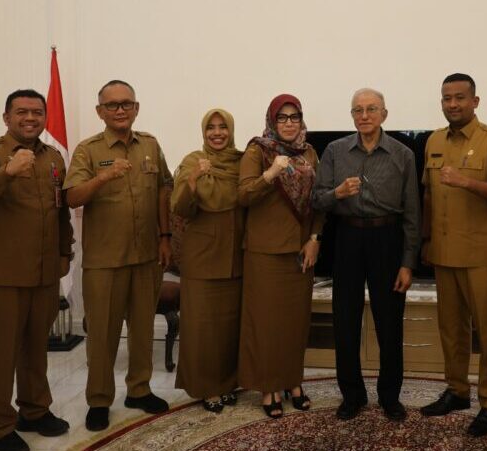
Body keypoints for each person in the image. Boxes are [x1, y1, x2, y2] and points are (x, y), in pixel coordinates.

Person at [0, 89, 75, 451]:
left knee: (35, 349)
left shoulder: (53, 157)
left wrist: (65, 252)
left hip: (44, 272)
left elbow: (60, 211)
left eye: (37, 112)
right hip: (2, 275)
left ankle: (34, 410)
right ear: (6, 117)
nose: (30, 118)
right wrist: (6, 171)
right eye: (21, 112)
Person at [64, 80, 173, 431]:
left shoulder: (151, 146)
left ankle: (139, 390)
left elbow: (163, 189)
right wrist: (103, 177)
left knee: (142, 330)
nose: (120, 110)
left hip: (145, 257)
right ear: (100, 112)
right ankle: (99, 399)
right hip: (104, 261)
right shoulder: (87, 150)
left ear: (137, 108)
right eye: (112, 105)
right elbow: (72, 197)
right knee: (102, 335)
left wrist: (165, 236)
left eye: (126, 103)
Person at [312, 88, 420, 422]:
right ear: (352, 115)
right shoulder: (334, 151)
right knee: (345, 320)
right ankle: (352, 396)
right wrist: (337, 193)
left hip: (387, 240)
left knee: (390, 323)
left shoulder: (403, 154)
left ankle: (390, 397)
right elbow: (317, 200)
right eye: (357, 110)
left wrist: (407, 262)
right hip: (347, 238)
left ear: (384, 114)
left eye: (371, 109)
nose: (364, 115)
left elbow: (413, 213)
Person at [418, 73, 487, 437]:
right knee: (451, 330)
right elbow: (428, 195)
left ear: (475, 101)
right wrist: (426, 239)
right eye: (447, 98)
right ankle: (457, 390)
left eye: (460, 98)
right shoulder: (433, 140)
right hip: (444, 253)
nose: (453, 104)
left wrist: (467, 182)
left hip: (480, 254)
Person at [237, 94, 324, 418]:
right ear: (272, 121)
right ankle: (270, 386)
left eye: (294, 117)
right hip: (265, 252)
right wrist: (271, 174)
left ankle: (293, 381)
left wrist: (315, 238)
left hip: (301, 251)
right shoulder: (257, 150)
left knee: (295, 323)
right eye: (282, 118)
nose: (289, 123)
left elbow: (318, 201)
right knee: (267, 324)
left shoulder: (309, 152)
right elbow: (243, 195)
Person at [171, 108, 244, 413]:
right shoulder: (192, 161)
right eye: (211, 128)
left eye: (222, 127)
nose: (217, 133)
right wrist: (193, 180)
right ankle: (206, 388)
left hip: (237, 256)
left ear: (230, 130)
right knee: (201, 328)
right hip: (201, 258)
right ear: (203, 132)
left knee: (230, 327)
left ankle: (227, 384)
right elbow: (181, 208)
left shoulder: (242, 162)